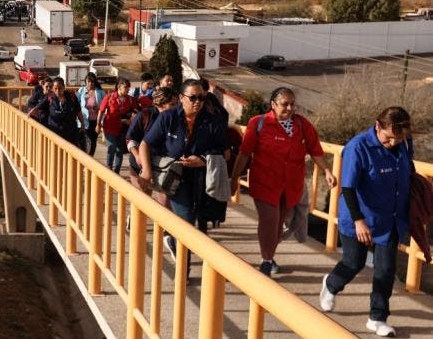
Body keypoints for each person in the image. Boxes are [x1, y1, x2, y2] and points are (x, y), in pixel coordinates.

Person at [319, 107, 412, 337]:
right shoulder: (358, 147)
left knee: (386, 269)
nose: (393, 142)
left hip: (390, 219)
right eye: (389, 137)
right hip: (358, 217)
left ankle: (377, 318)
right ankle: (331, 284)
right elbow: (348, 188)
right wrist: (359, 221)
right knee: (354, 262)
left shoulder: (405, 143)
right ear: (377, 126)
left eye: (399, 138)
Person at [230, 87, 336, 276]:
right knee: (269, 220)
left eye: (292, 104)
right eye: (284, 104)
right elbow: (244, 153)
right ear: (273, 104)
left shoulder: (302, 125)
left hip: (290, 185)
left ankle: (269, 256)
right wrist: (234, 178)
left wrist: (327, 170)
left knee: (278, 223)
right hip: (265, 183)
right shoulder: (258, 123)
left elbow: (315, 150)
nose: (289, 108)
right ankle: (266, 261)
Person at [138, 79, 229, 273]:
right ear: (181, 98)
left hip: (204, 180)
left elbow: (225, 151)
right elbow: (145, 144)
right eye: (193, 98)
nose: (198, 102)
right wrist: (146, 170)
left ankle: (203, 266)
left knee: (202, 225)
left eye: (202, 98)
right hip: (177, 180)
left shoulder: (212, 120)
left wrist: (203, 160)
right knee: (186, 222)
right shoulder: (168, 118)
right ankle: (183, 271)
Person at [126, 86, 178, 207]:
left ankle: (164, 226)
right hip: (139, 166)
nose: (176, 108)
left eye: (177, 104)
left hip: (162, 167)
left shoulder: (176, 119)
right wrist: (138, 156)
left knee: (165, 204)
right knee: (142, 200)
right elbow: (130, 138)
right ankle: (133, 220)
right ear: (161, 104)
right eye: (172, 104)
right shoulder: (145, 115)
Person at [27, 77, 85, 146]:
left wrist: (82, 124)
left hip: (70, 132)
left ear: (64, 87)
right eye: (55, 89)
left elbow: (78, 111)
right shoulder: (50, 97)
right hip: (54, 132)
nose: (57, 91)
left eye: (60, 88)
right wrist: (31, 112)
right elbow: (38, 107)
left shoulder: (71, 97)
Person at [97, 77, 138, 173]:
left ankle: (116, 171)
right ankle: (109, 168)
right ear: (119, 87)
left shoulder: (130, 100)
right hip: (110, 127)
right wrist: (98, 124)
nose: (127, 89)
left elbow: (136, 112)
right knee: (112, 147)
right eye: (125, 87)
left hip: (122, 129)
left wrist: (131, 118)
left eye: (128, 87)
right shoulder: (109, 97)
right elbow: (101, 111)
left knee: (120, 150)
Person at [76, 73, 106, 156]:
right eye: (89, 81)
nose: (90, 83)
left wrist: (98, 107)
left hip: (95, 121)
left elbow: (104, 106)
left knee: (93, 141)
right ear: (85, 81)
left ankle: (90, 158)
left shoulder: (100, 92)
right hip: (84, 121)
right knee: (83, 141)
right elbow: (76, 103)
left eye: (92, 81)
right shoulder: (81, 90)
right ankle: (84, 158)